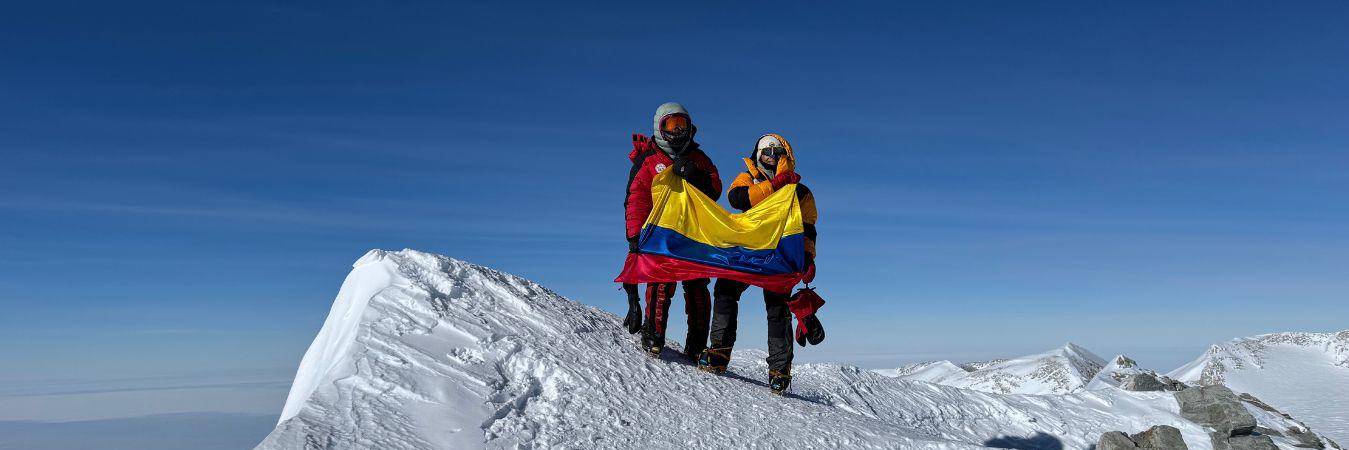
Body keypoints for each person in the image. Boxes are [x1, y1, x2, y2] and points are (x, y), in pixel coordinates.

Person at [697, 133, 818, 395]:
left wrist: (808, 257)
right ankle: (719, 351)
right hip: (749, 249)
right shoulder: (747, 178)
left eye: (777, 152)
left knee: (777, 308)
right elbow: (737, 199)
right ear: (757, 155)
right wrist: (776, 187)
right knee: (726, 290)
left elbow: (808, 228)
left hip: (780, 254)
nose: (771, 157)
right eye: (766, 151)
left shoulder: (801, 191)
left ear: (786, 155)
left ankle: (779, 372)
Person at [624, 102, 722, 359]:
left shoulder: (699, 159)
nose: (677, 130)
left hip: (693, 233)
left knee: (697, 286)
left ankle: (697, 344)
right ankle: (653, 335)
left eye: (682, 124)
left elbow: (714, 190)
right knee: (659, 284)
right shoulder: (649, 160)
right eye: (671, 124)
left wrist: (696, 176)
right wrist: (635, 236)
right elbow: (637, 197)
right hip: (660, 233)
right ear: (659, 127)